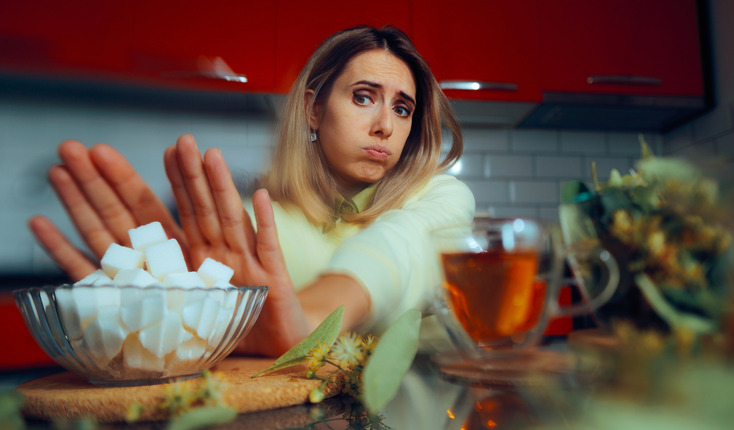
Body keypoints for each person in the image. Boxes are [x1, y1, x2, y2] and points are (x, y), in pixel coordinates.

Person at [28, 25, 475, 357]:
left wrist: (309, 319)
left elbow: (402, 246)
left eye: (402, 108)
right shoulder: (249, 228)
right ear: (313, 109)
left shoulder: (442, 198)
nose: (385, 125)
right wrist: (157, 321)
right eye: (363, 96)